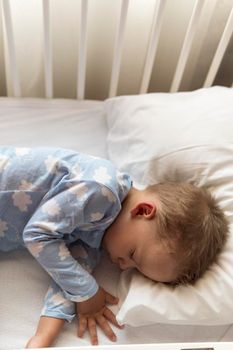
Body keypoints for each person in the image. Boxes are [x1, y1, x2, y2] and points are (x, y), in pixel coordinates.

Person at [0, 147, 228, 348]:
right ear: (142, 211)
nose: (122, 264)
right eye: (133, 254)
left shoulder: (96, 239)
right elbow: (38, 235)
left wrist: (42, 338)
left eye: (134, 269)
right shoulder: (101, 189)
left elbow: (67, 279)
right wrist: (87, 290)